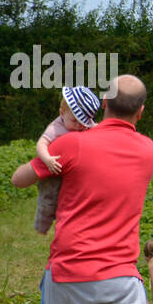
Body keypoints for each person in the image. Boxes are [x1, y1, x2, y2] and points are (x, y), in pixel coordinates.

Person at [9, 74, 153, 304]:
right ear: (140, 111)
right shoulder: (147, 150)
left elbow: (20, 178)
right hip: (121, 278)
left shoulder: (72, 144)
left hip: (69, 276)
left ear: (103, 103)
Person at [33, 86, 100, 234]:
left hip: (73, 171)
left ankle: (70, 225)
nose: (79, 126)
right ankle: (41, 227)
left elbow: (100, 130)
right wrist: (47, 159)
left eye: (84, 122)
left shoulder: (86, 125)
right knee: (48, 200)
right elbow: (41, 144)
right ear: (62, 113)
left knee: (72, 201)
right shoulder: (55, 128)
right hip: (54, 170)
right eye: (75, 121)